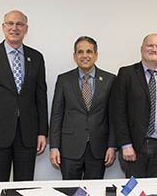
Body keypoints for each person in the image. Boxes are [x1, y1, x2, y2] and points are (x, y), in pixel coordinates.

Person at [0, 10, 48, 181]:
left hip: (28, 136)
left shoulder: (36, 57)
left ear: (26, 29)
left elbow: (40, 97)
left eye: (19, 24)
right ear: (3, 27)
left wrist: (42, 132)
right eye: (10, 23)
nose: (15, 28)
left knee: (25, 188)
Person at [110, 33, 157, 178]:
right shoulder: (126, 74)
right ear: (142, 48)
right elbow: (118, 112)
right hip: (134, 147)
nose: (154, 49)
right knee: (134, 191)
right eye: (150, 45)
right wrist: (125, 144)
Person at [49, 36, 116, 180]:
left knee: (94, 192)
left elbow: (113, 117)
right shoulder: (64, 80)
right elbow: (56, 115)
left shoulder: (110, 80)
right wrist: (54, 147)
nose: (84, 55)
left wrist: (112, 146)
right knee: (71, 191)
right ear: (74, 56)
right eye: (80, 52)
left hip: (98, 149)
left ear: (96, 55)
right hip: (69, 149)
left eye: (89, 51)